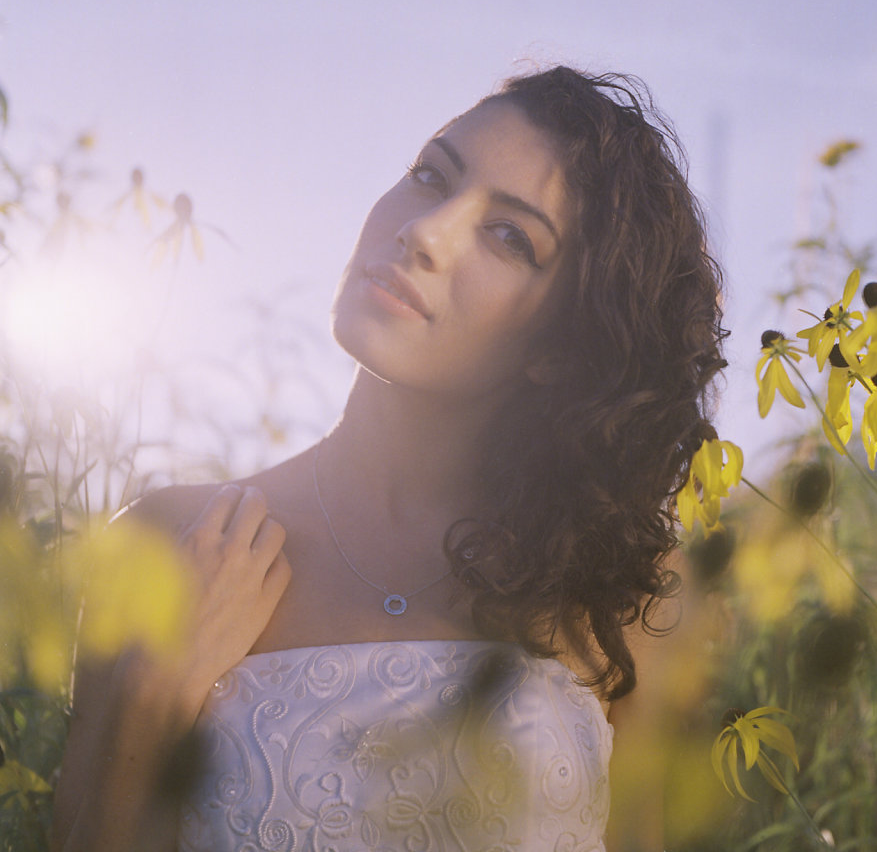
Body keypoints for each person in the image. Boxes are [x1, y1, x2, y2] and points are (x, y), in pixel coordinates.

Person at [51, 65, 727, 852]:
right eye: (430, 176)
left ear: (561, 342)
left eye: (509, 237)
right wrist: (156, 694)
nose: (425, 231)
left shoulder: (631, 599)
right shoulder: (167, 538)